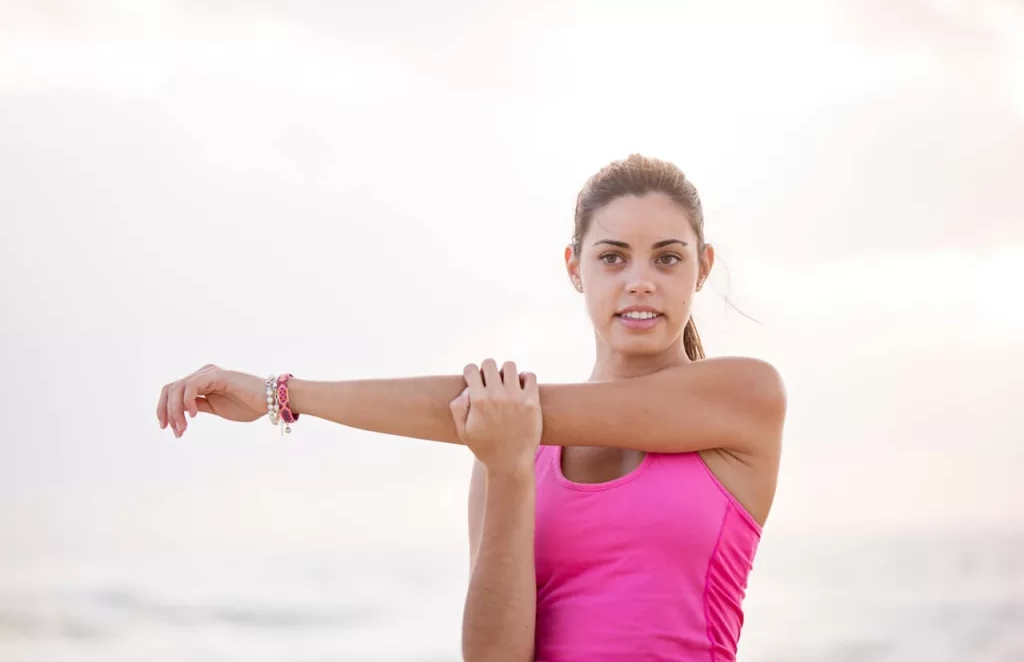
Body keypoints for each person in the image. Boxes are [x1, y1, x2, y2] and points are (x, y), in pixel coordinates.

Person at [155, 154, 786, 662]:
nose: (639, 280)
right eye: (612, 256)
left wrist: (282, 394)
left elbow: (467, 407)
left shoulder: (744, 399)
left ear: (702, 268)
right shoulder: (507, 438)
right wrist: (509, 469)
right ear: (575, 268)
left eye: (668, 258)